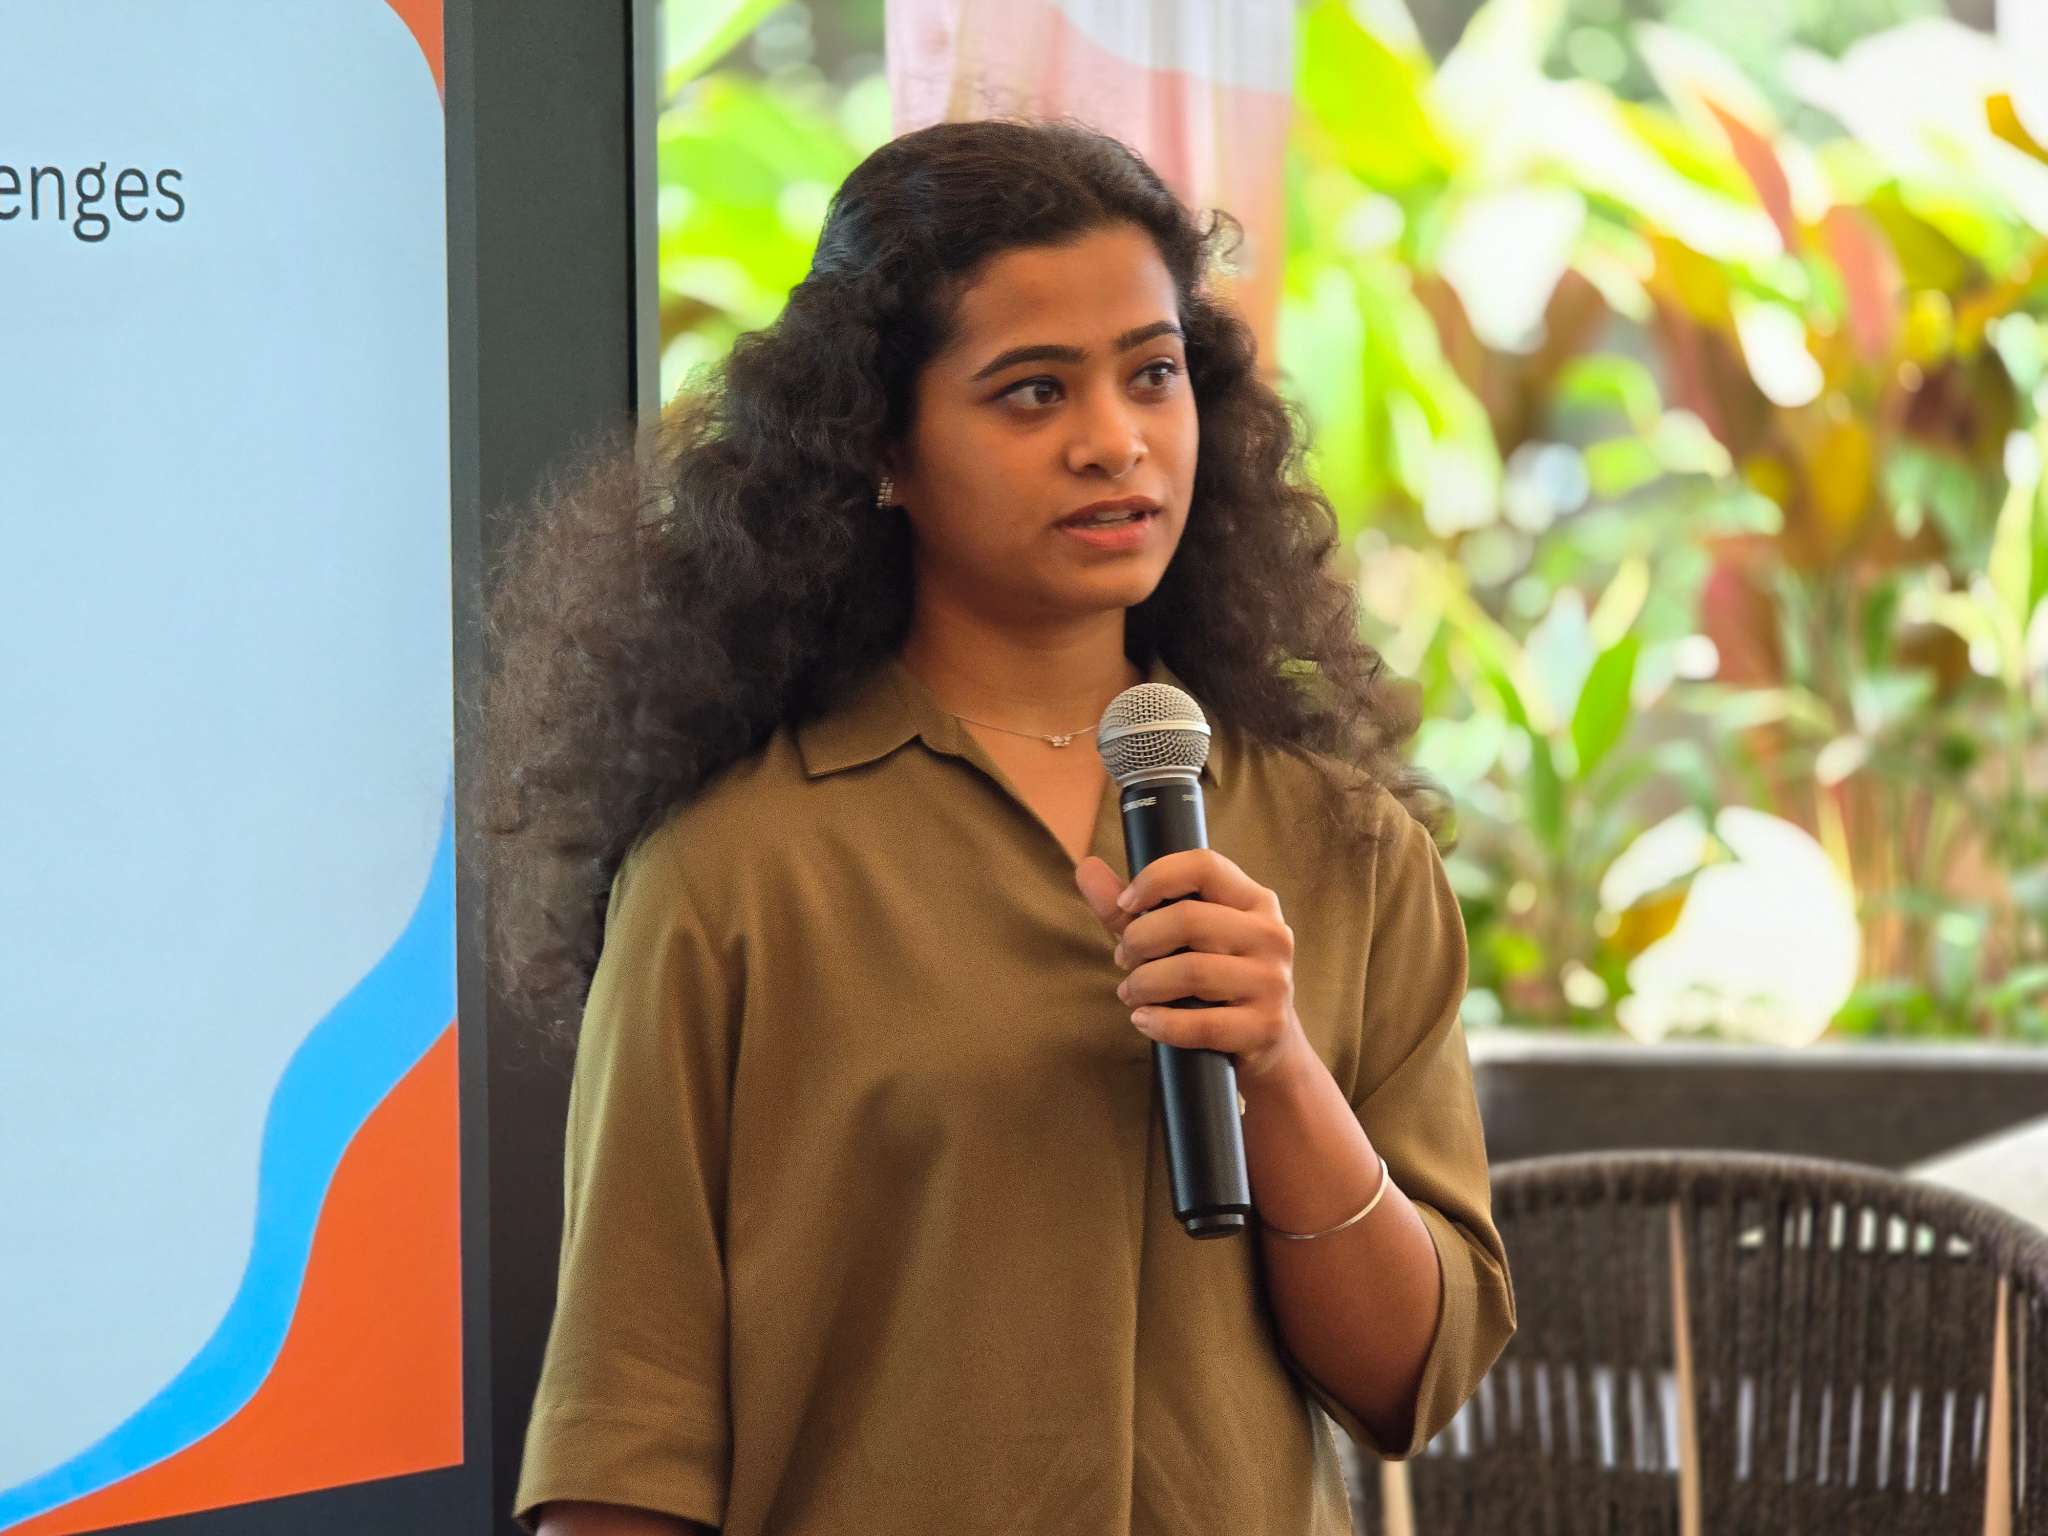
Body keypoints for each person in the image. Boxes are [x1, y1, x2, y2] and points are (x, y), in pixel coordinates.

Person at [480, 115, 1514, 1536]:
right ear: (881, 447)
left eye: (1153, 375)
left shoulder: (1346, 848)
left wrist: (1280, 1069)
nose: (1115, 442)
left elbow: (1414, 1377)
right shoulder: (734, 876)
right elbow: (624, 1440)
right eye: (1033, 393)